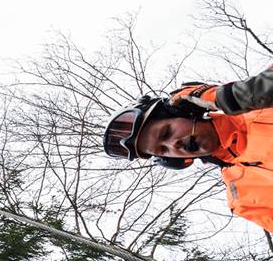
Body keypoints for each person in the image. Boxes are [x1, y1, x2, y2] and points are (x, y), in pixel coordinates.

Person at [102, 64, 273, 234]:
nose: (173, 145)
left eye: (166, 132)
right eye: (163, 150)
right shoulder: (243, 199)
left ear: (184, 113)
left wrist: (229, 97)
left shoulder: (259, 103)